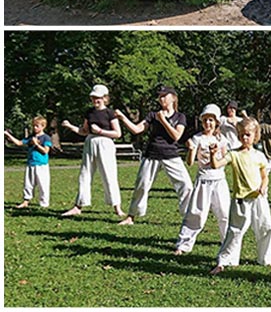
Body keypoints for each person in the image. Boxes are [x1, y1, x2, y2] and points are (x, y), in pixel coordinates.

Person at [116, 87, 193, 226]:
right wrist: (122, 117)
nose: (161, 98)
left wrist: (163, 120)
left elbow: (176, 136)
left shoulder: (180, 117)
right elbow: (137, 129)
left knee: (186, 185)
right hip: (152, 155)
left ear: (173, 98)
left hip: (171, 155)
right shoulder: (152, 115)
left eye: (164, 95)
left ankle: (188, 217)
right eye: (160, 96)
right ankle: (131, 216)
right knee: (142, 185)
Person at [210, 117, 271, 275]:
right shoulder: (234, 154)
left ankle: (265, 258)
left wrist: (263, 186)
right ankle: (225, 260)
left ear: (255, 135)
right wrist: (213, 154)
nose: (244, 138)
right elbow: (216, 165)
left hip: (259, 198)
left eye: (247, 134)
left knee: (266, 227)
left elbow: (264, 175)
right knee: (235, 230)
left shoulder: (260, 156)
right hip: (241, 200)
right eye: (241, 134)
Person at [60, 84, 124, 217]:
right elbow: (84, 131)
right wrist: (70, 126)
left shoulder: (110, 113)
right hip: (90, 142)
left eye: (98, 98)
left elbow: (118, 133)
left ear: (105, 98)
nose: (96, 100)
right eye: (94, 98)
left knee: (109, 174)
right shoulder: (89, 112)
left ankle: (117, 207)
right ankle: (79, 205)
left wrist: (101, 131)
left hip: (105, 144)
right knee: (85, 173)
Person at [174, 104, 231, 255]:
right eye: (205, 120)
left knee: (225, 212)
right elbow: (190, 162)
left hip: (219, 180)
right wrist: (191, 150)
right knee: (196, 213)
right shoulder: (197, 138)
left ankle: (228, 241)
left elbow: (226, 158)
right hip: (204, 180)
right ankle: (183, 244)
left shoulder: (222, 139)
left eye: (211, 120)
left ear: (217, 122)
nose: (208, 123)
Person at [4, 116, 53, 208]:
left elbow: (45, 151)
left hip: (41, 165)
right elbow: (19, 143)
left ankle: (44, 203)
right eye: (33, 126)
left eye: (37, 126)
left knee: (43, 184)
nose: (34, 128)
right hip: (31, 163)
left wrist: (36, 144)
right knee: (28, 183)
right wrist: (8, 135)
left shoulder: (46, 138)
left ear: (43, 126)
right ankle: (26, 201)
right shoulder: (31, 137)